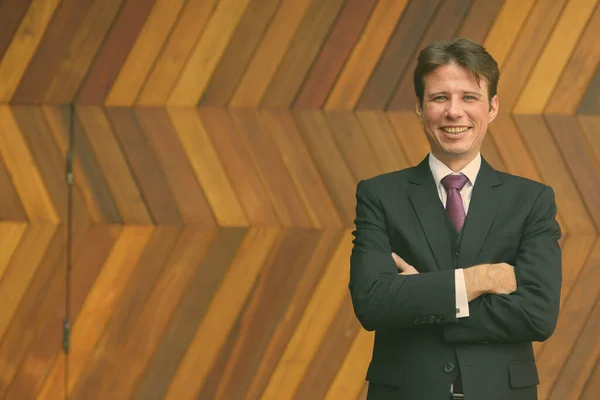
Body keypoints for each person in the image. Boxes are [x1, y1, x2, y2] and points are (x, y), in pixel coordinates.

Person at [349, 38, 562, 400]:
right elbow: (372, 304)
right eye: (439, 97)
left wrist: (423, 294)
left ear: (492, 107)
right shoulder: (379, 195)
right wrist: (479, 279)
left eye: (469, 97)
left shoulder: (531, 200)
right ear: (419, 107)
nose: (454, 112)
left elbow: (537, 314)